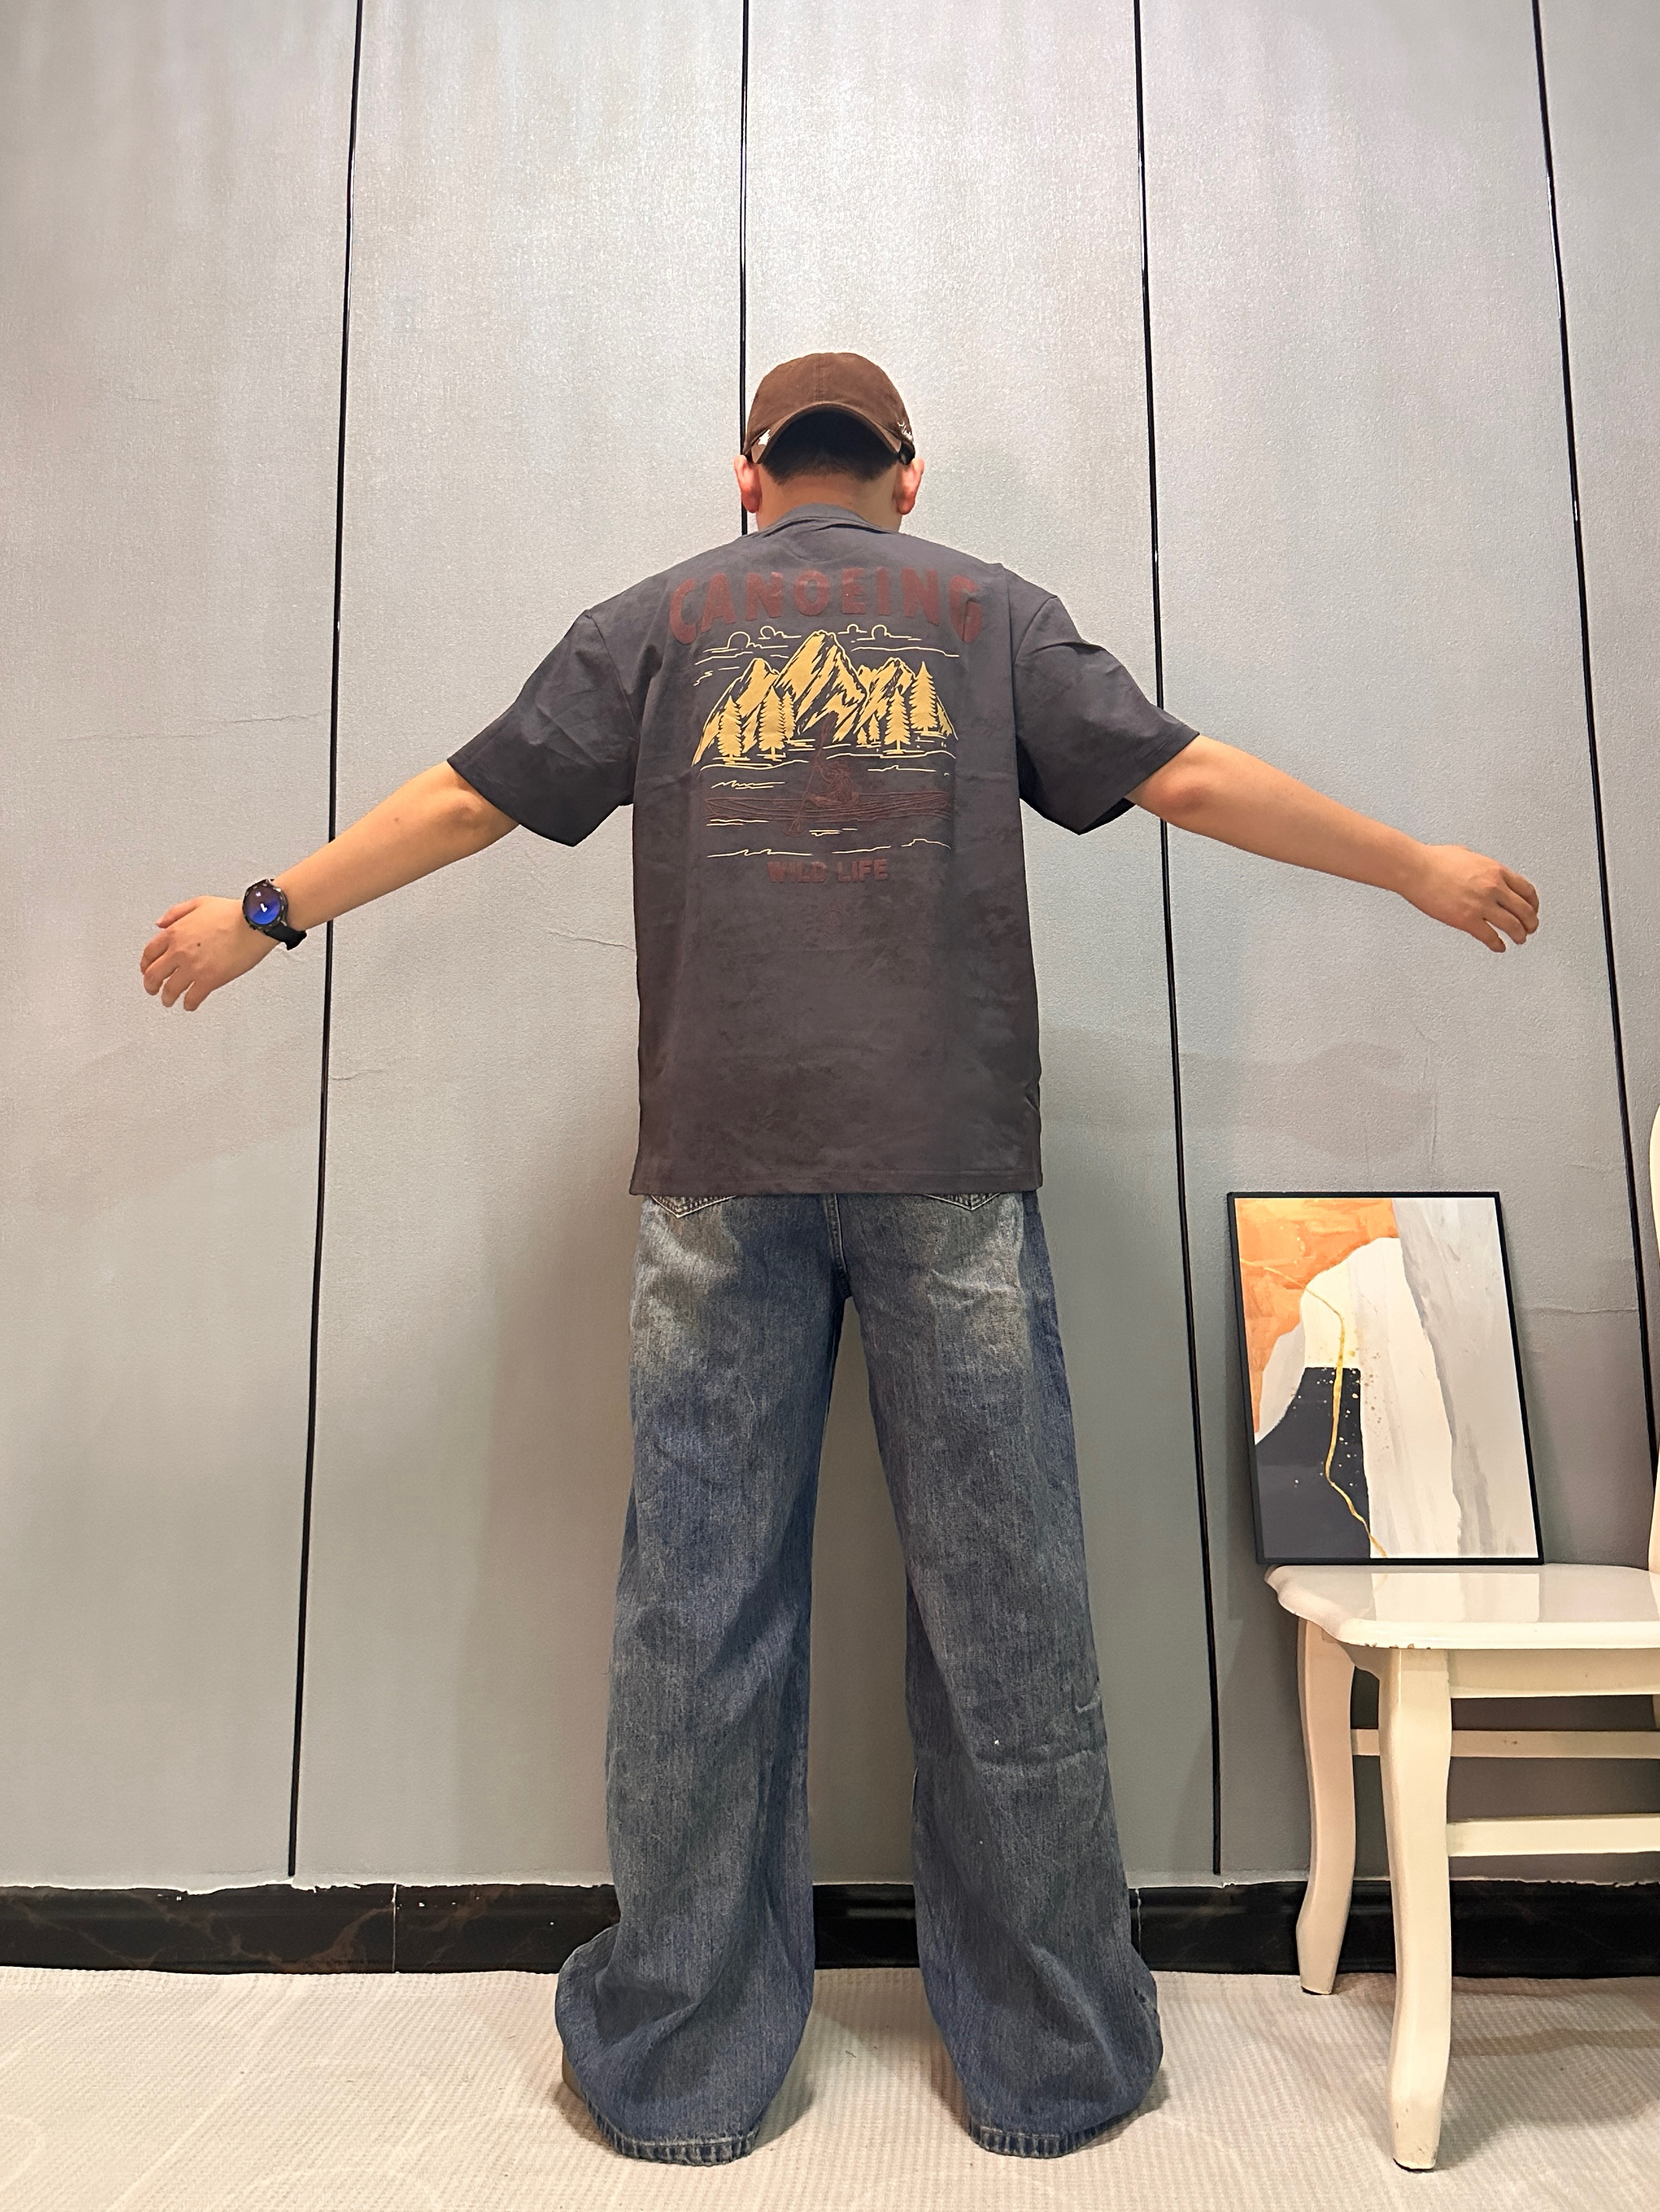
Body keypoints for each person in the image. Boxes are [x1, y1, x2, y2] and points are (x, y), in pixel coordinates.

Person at [141, 353, 1540, 2165]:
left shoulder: (656, 621)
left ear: (746, 475)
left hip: (718, 1173)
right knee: (1002, 1608)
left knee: (698, 1609)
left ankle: (677, 2066)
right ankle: (1052, 2064)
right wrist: (1410, 863)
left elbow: (471, 798)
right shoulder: (984, 611)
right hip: (945, 1169)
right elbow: (1184, 778)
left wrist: (263, 913)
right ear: (904, 474)